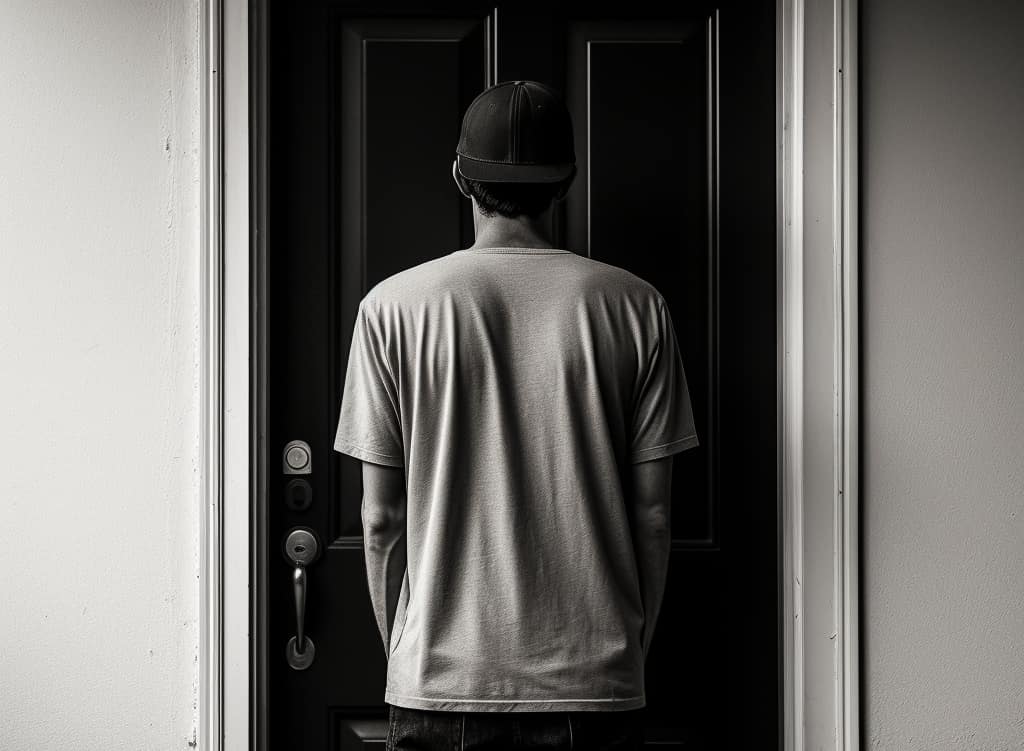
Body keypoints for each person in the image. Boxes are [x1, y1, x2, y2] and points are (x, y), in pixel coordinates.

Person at [333, 80, 698, 751]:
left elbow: (380, 517)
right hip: (597, 684)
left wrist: (410, 651)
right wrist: (625, 654)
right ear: (566, 182)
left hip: (441, 683)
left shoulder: (390, 309)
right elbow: (654, 515)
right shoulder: (637, 307)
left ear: (459, 177)